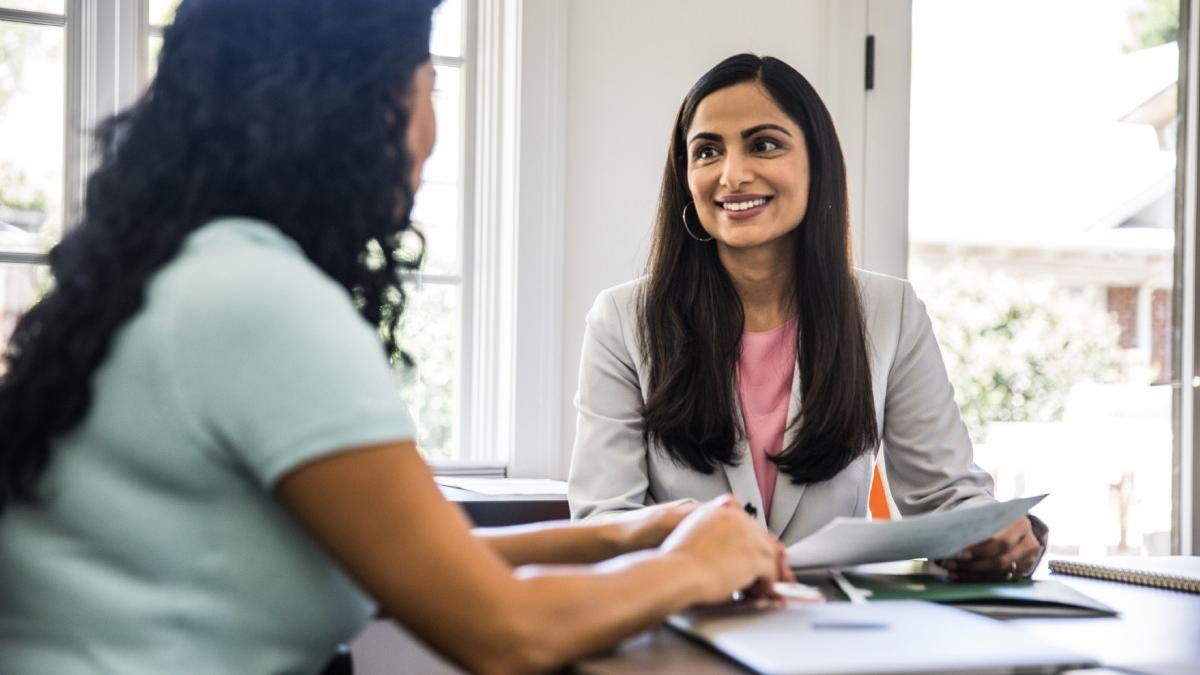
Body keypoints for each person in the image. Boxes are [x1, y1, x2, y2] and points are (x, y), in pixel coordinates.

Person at [0, 4, 791, 674]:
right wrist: (693, 565)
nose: (433, 130)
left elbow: (420, 562)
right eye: (430, 87)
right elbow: (504, 628)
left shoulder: (193, 270)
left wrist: (636, 531)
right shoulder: (259, 301)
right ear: (353, 102)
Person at [567, 53, 1047, 582]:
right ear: (685, 177)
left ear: (816, 162)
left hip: (834, 634)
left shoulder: (891, 312)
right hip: (683, 625)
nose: (733, 174)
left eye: (764, 144)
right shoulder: (622, 321)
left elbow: (944, 496)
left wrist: (990, 534)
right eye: (707, 151)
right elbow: (603, 522)